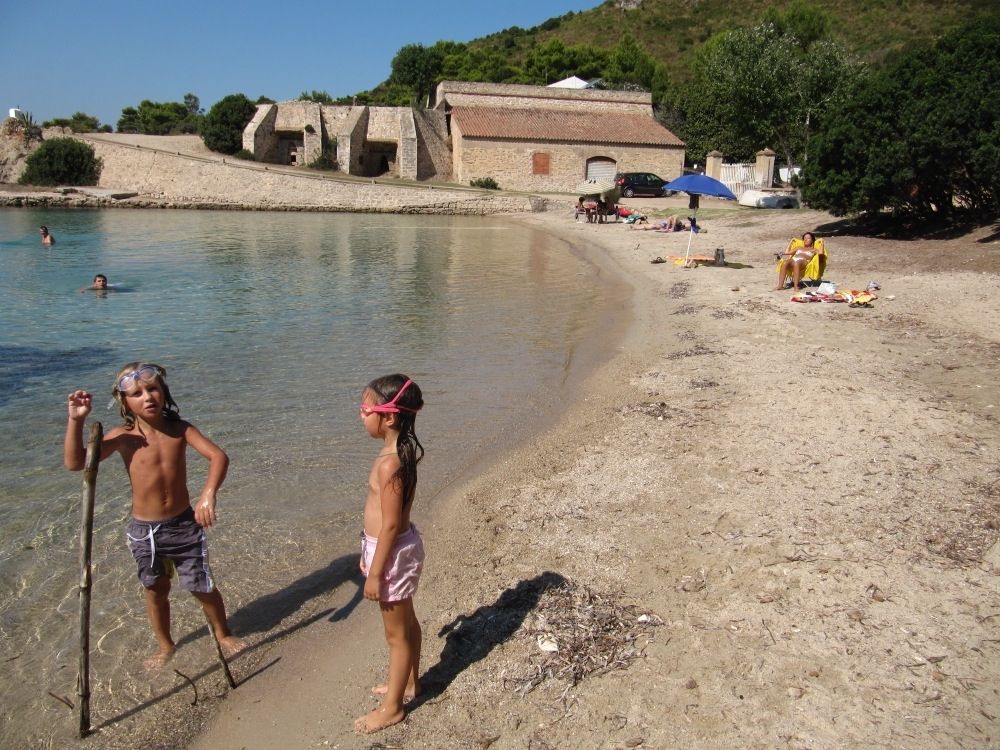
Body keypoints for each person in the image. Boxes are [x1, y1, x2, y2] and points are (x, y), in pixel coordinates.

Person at [64, 363, 245, 671]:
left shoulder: (180, 429)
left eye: (153, 389)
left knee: (202, 586)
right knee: (156, 589)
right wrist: (75, 421)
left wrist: (208, 494)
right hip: (144, 531)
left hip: (185, 524)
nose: (147, 397)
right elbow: (76, 462)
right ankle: (165, 644)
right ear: (124, 402)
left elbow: (218, 456)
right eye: (136, 393)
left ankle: (223, 634)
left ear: (164, 392)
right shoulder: (124, 437)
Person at [355, 374, 425, 734]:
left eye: (365, 408)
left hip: (392, 552)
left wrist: (375, 572)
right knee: (408, 623)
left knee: (396, 635)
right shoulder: (400, 453)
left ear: (389, 417)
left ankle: (393, 707)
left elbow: (390, 525)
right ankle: (410, 683)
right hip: (393, 549)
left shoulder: (389, 464)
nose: (360, 415)